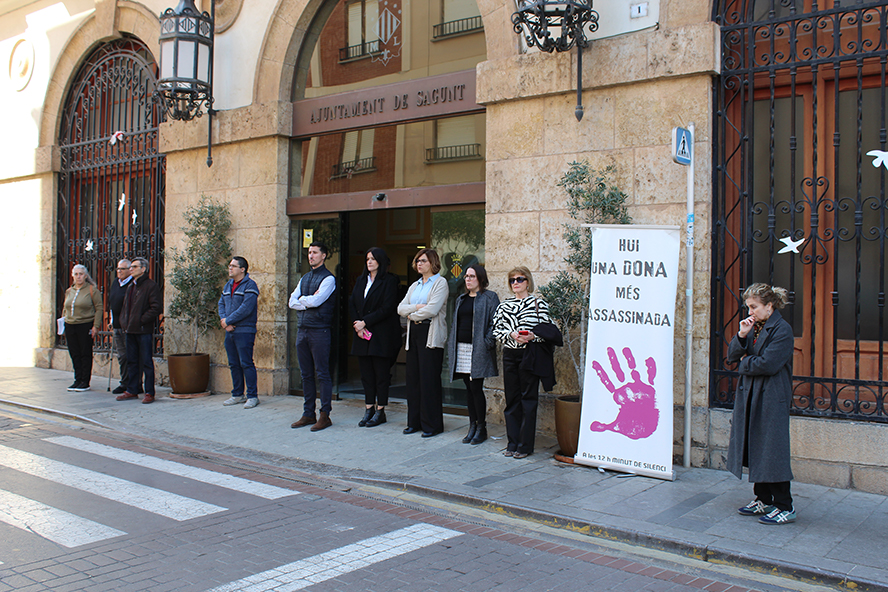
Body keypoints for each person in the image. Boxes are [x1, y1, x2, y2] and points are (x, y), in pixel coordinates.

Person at [727, 283, 796, 525]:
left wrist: (746, 362)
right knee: (757, 447)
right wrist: (741, 335)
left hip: (771, 397)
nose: (750, 312)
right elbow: (732, 357)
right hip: (752, 394)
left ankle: (785, 506)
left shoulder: (782, 330)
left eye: (754, 307)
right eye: (748, 307)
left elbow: (767, 364)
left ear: (769, 306)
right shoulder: (755, 327)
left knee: (772, 450)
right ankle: (763, 499)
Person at [492, 266, 551, 459]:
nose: (516, 283)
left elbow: (548, 332)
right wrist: (511, 334)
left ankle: (525, 446)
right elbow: (495, 330)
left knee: (528, 400)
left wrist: (533, 336)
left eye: (519, 279)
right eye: (512, 280)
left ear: (528, 281)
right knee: (512, 400)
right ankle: (512, 442)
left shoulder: (538, 304)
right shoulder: (504, 305)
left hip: (529, 355)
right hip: (510, 353)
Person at [397, 248, 448, 437]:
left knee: (429, 381)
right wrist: (416, 308)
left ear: (433, 263)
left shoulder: (440, 283)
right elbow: (400, 308)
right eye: (418, 261)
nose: (419, 263)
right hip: (414, 333)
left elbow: (432, 310)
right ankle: (414, 422)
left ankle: (432, 425)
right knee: (413, 381)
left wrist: (411, 314)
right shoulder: (415, 285)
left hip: (430, 333)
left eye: (423, 260)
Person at [348, 247, 402, 428]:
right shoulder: (361, 280)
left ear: (380, 261)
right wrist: (357, 324)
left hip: (381, 335)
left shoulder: (389, 281)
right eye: (367, 259)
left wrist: (365, 322)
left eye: (373, 259)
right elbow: (352, 303)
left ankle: (381, 410)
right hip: (362, 334)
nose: (369, 262)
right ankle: (368, 408)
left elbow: (387, 308)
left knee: (381, 375)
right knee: (366, 375)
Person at [447, 264, 499, 445]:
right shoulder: (461, 299)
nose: (467, 279)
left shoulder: (489, 297)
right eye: (466, 276)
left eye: (472, 276)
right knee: (468, 389)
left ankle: (481, 428)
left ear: (480, 279)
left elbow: (496, 323)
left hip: (477, 349)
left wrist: (487, 342)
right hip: (461, 348)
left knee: (476, 387)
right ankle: (472, 425)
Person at [289, 241, 337, 431]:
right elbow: (292, 302)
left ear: (324, 256)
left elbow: (318, 300)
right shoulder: (305, 278)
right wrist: (305, 301)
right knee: (306, 374)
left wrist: (304, 301)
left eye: (315, 253)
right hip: (303, 330)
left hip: (320, 330)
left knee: (322, 373)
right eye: (309, 253)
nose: (311, 256)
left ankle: (325, 415)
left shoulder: (329, 279)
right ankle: (308, 414)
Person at [116, 257, 162, 404]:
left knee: (146, 362)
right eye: (131, 267)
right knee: (132, 361)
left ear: (143, 269)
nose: (131, 269)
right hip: (130, 330)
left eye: (134, 267)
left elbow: (156, 308)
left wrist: (141, 320)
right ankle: (132, 389)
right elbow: (125, 307)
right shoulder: (131, 286)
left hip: (143, 331)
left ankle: (149, 392)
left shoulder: (150, 286)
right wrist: (124, 322)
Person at [219, 256, 261, 409]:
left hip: (244, 331)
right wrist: (224, 321)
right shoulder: (228, 286)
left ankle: (252, 396)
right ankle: (237, 394)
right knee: (233, 364)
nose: (230, 268)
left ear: (242, 269)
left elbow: (246, 308)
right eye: (229, 265)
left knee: (246, 363)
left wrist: (229, 320)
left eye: (233, 266)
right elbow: (221, 303)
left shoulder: (250, 286)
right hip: (229, 331)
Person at [63, 264, 103, 391]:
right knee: (74, 353)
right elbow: (66, 308)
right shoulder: (69, 291)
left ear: (85, 276)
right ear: (72, 275)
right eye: (76, 274)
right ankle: (77, 379)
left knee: (84, 353)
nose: (78, 277)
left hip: (85, 325)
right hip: (70, 325)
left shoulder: (92, 290)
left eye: (81, 274)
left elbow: (99, 308)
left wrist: (96, 326)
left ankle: (85, 381)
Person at [108, 259, 133, 395]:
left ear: (130, 270)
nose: (119, 271)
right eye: (118, 269)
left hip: (128, 326)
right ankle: (124, 382)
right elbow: (112, 302)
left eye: (122, 269)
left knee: (131, 355)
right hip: (117, 325)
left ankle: (133, 383)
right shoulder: (116, 283)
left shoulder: (131, 284)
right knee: (122, 356)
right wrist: (112, 319)